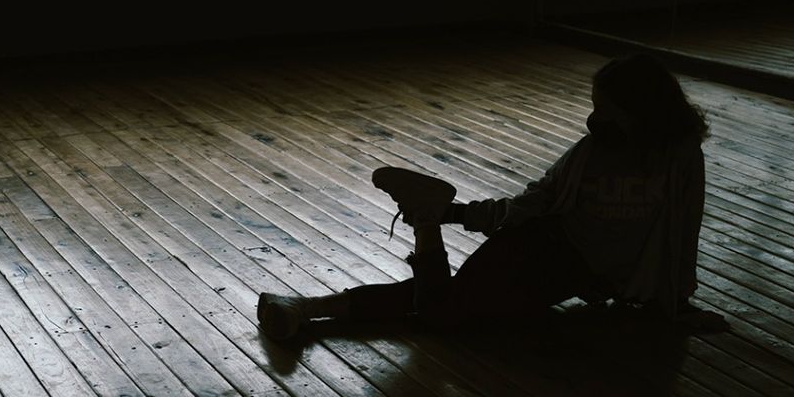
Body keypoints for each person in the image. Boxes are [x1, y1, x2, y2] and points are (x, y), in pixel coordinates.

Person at [256, 54, 727, 339]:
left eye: (606, 108)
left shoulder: (680, 157)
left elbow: (682, 230)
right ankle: (315, 302)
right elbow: (535, 202)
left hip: (577, 272)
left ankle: (305, 307)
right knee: (443, 312)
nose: (596, 118)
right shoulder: (593, 152)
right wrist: (458, 215)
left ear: (640, 109)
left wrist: (675, 302)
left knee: (446, 304)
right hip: (543, 248)